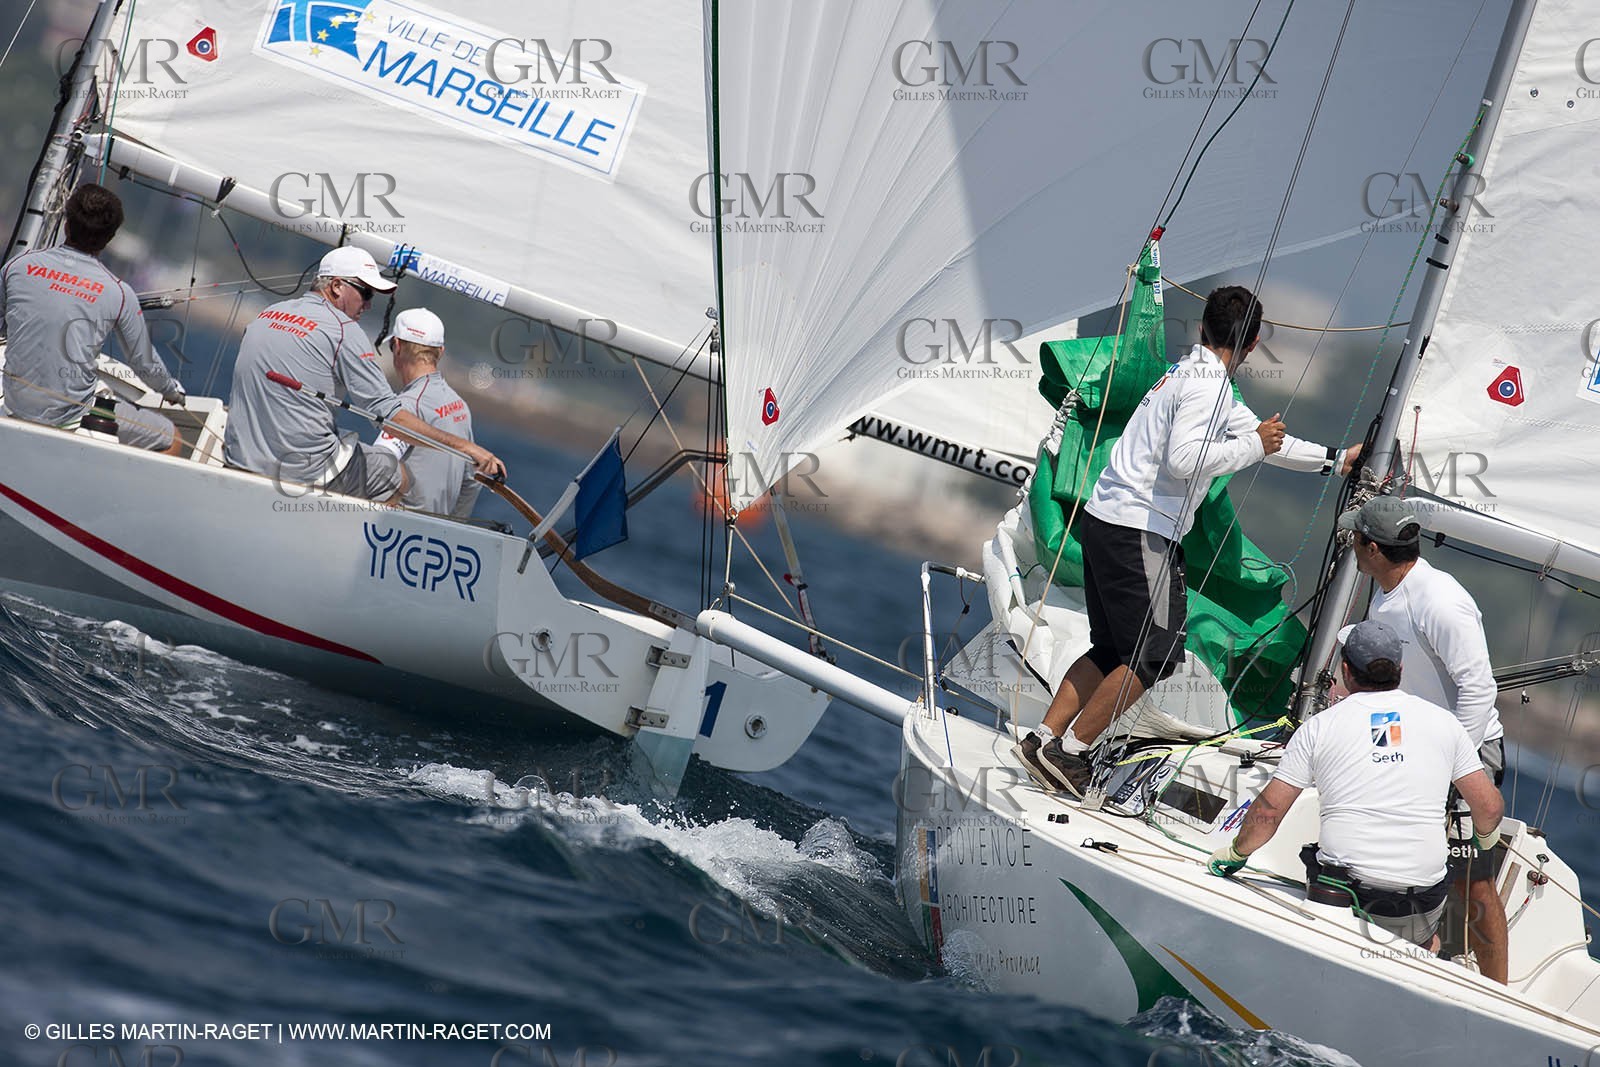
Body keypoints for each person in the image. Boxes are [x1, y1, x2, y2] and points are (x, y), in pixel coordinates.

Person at [1017, 286, 1360, 796]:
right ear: (1254, 341)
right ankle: (1068, 752)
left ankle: (1043, 737)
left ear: (1203, 328)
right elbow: (1187, 459)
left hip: (1108, 520)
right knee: (1153, 655)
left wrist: (1336, 460)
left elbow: (1267, 440)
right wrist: (1252, 445)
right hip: (1139, 527)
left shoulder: (1191, 375)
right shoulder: (1206, 387)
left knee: (1113, 648)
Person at [1206, 620, 1506, 972]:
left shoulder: (1318, 727)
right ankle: (1419, 958)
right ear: (1400, 670)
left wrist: (1237, 853)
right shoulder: (1446, 724)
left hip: (1341, 892)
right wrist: (1485, 837)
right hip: (1417, 898)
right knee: (1427, 939)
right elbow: (1488, 806)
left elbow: (1268, 814)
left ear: (1346, 671)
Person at [1336, 494, 1509, 983]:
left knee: (1472, 884)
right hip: (1408, 750)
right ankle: (1412, 966)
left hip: (1466, 754)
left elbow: (1478, 688)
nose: (1350, 542)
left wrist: (1454, 766)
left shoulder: (1439, 599)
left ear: (1371, 548)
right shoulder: (1388, 590)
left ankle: (1498, 995)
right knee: (1398, 862)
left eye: (1355, 537)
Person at [223, 246, 503, 502]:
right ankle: (349, 553)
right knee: (396, 476)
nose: (368, 305)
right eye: (366, 293)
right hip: (301, 472)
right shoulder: (344, 329)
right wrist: (466, 449)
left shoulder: (268, 313)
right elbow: (391, 420)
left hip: (239, 458)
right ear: (335, 287)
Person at [1, 183, 186, 454]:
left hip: (16, 406)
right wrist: (171, 393)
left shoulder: (17, 266)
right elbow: (143, 362)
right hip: (70, 417)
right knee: (172, 438)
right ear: (109, 238)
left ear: (67, 225)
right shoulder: (120, 293)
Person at [373, 307, 480, 518]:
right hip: (436, 537)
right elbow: (471, 482)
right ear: (440, 352)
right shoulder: (459, 405)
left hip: (397, 532)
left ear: (397, 346)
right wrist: (451, 529)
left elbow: (378, 470)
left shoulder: (406, 406)